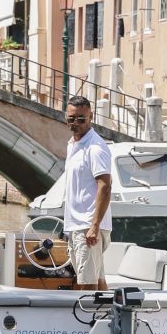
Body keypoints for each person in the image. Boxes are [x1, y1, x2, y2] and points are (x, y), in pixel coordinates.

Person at [63, 95, 113, 291]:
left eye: (81, 119)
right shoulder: (73, 144)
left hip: (88, 225)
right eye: (71, 119)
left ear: (91, 117)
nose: (76, 123)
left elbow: (105, 186)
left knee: (87, 284)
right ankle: (108, 319)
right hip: (79, 224)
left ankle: (88, 321)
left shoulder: (95, 147)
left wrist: (94, 226)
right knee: (98, 281)